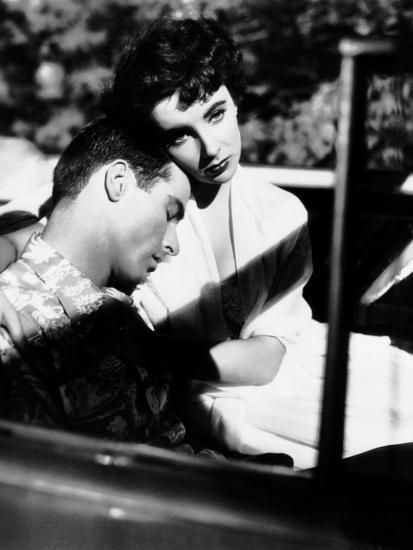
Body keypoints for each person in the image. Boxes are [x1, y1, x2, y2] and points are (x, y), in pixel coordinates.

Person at [101, 17, 314, 461]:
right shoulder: (139, 212)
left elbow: (266, 360)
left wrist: (147, 352)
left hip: (280, 388)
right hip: (187, 411)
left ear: (235, 100)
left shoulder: (282, 214)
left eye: (215, 114)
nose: (212, 148)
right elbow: (40, 217)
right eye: (181, 134)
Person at [0, 116, 198, 451]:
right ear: (118, 180)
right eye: (169, 213)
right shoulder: (19, 320)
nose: (173, 246)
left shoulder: (121, 307)